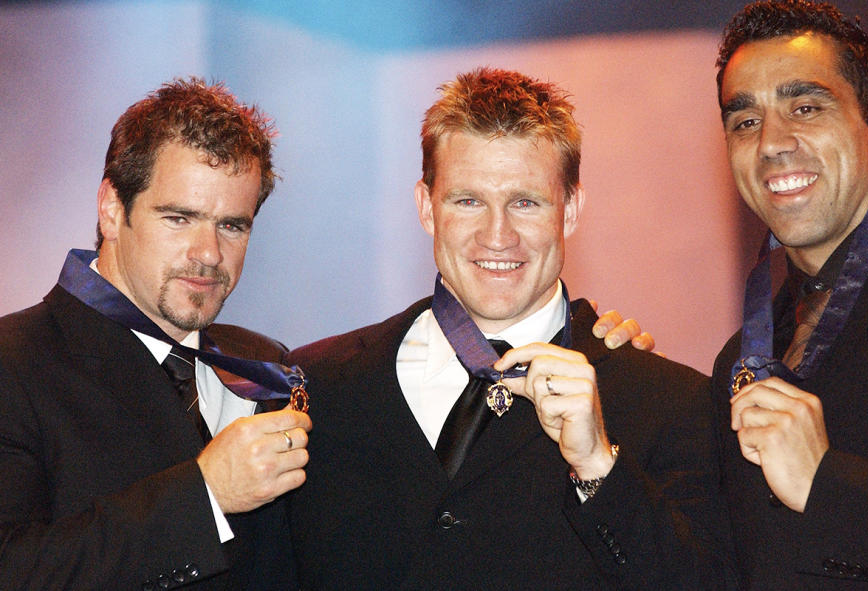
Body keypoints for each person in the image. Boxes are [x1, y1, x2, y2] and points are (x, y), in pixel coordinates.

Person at [285, 67, 726, 589]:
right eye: (468, 201)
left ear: (571, 210)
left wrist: (598, 467)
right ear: (427, 207)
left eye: (526, 202)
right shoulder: (318, 386)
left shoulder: (672, 402)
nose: (497, 236)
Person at [0, 78, 311, 590]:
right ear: (112, 208)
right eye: (179, 218)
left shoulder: (263, 363)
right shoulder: (14, 364)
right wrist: (206, 494)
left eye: (233, 225)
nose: (209, 252)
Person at [710, 1, 868, 587]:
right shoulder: (738, 361)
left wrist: (828, 485)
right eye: (745, 121)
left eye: (805, 107)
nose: (772, 142)